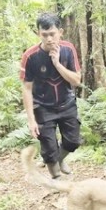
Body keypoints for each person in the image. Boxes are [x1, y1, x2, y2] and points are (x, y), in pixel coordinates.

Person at [20, 13, 82, 178]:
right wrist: (31, 119)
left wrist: (57, 63)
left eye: (52, 34)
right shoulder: (30, 56)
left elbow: (76, 80)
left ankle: (60, 160)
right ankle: (55, 177)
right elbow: (26, 88)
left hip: (66, 103)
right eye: (44, 35)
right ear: (38, 33)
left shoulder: (68, 49)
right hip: (43, 107)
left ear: (60, 32)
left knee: (73, 141)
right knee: (48, 147)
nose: (49, 39)